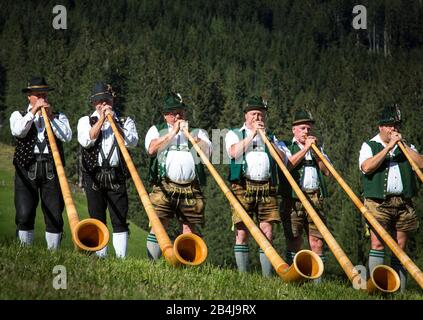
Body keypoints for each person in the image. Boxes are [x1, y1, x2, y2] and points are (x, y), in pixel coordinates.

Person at [359, 105, 423, 292]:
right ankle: (377, 289)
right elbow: (367, 167)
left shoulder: (407, 146)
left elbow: (420, 163)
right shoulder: (369, 145)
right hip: (378, 203)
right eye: (389, 125)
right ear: (381, 127)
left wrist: (402, 146)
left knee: (400, 247)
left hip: (403, 202)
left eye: (396, 125)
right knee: (378, 243)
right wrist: (388, 147)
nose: (394, 129)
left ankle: (399, 292)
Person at [225, 96, 288, 277]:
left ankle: (266, 277)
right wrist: (252, 135)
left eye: (261, 115)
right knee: (242, 230)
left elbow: (282, 159)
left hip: (267, 186)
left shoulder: (271, 137)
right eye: (254, 114)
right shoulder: (235, 133)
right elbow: (233, 153)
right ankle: (243, 276)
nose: (257, 118)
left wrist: (267, 139)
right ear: (246, 116)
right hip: (242, 185)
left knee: (267, 230)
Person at [145, 92, 211, 260]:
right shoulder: (156, 129)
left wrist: (193, 138)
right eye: (173, 113)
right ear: (166, 115)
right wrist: (172, 133)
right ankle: (152, 265)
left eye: (181, 111)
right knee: (159, 224)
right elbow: (151, 150)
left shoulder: (198, 132)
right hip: (164, 185)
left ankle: (187, 265)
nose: (178, 116)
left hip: (191, 186)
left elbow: (209, 153)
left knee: (189, 228)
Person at [77, 82, 139, 258]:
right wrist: (103, 119)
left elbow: (131, 142)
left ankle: (121, 259)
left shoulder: (126, 121)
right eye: (99, 101)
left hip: (116, 174)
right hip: (93, 175)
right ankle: (100, 257)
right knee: (96, 217)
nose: (103, 104)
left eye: (107, 100)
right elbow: (86, 140)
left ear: (112, 101)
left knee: (119, 218)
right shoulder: (85, 121)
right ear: (94, 103)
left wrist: (115, 124)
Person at [10, 76, 72, 250]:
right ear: (29, 96)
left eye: (44, 95)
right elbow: (18, 131)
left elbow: (67, 136)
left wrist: (51, 118)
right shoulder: (19, 115)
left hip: (52, 169)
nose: (42, 99)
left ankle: (53, 253)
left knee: (54, 214)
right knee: (24, 213)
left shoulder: (59, 116)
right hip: (26, 167)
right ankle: (24, 251)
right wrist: (33, 113)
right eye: (37, 95)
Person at [278, 109, 330, 278]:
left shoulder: (317, 149)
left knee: (317, 241)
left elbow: (327, 171)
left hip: (315, 197)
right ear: (294, 130)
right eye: (302, 128)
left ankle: (318, 282)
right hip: (293, 199)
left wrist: (315, 152)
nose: (306, 132)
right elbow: (287, 165)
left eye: (308, 129)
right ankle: (293, 277)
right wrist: (305, 149)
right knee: (294, 240)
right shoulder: (285, 145)